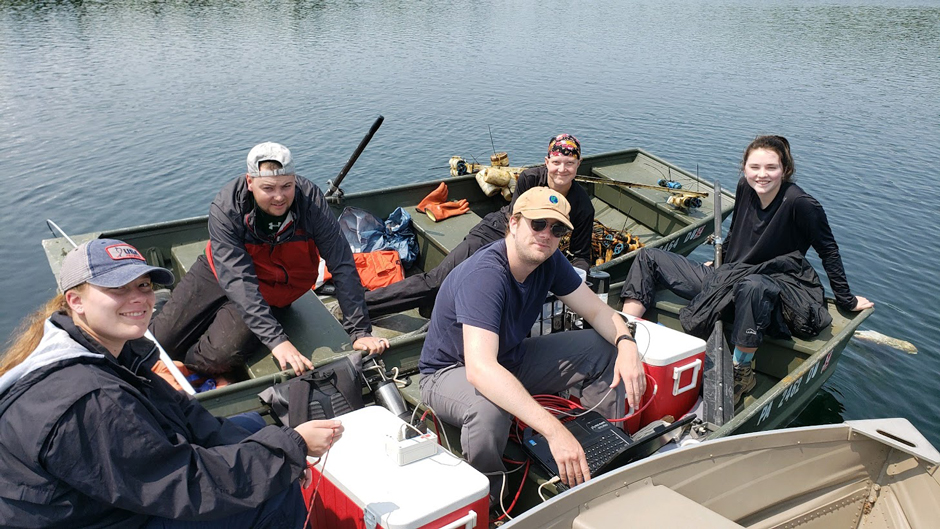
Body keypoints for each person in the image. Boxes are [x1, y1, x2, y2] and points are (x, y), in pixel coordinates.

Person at [0, 239, 343, 528]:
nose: (138, 298)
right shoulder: (90, 401)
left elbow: (189, 416)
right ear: (76, 301)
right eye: (118, 288)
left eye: (144, 286)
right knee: (273, 496)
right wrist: (288, 453)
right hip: (94, 518)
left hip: (110, 494)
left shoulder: (107, 352)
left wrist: (279, 448)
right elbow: (185, 484)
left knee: (253, 424)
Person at [419, 187, 646, 498]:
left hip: (511, 357)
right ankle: (491, 500)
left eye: (557, 229)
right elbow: (480, 370)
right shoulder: (486, 275)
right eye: (537, 224)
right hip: (447, 372)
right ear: (514, 223)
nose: (546, 235)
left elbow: (597, 310)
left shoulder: (549, 261)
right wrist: (554, 431)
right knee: (489, 408)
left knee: (604, 348)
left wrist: (626, 344)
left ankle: (601, 450)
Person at [620, 135, 873, 405]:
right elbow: (737, 229)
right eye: (754, 167)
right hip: (729, 276)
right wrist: (722, 260)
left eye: (771, 168)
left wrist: (846, 299)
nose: (761, 175)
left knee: (752, 285)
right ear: (744, 167)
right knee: (649, 257)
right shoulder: (745, 187)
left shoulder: (801, 204)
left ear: (784, 170)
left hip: (778, 286)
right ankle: (626, 334)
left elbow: (829, 251)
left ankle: (742, 370)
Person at [151, 142, 388, 376]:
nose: (279, 197)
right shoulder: (227, 207)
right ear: (250, 182)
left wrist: (360, 332)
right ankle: (165, 305)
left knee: (217, 359)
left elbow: (341, 262)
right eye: (268, 188)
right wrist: (277, 341)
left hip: (276, 289)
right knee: (158, 341)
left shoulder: (311, 203)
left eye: (286, 186)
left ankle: (187, 366)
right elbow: (237, 281)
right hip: (220, 272)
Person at [365, 133, 595, 318]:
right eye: (556, 162)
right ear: (547, 162)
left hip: (533, 245)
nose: (562, 169)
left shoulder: (582, 206)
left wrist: (576, 278)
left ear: (578, 164)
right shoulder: (530, 179)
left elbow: (582, 255)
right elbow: (515, 223)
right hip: (497, 230)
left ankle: (433, 310)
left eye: (569, 163)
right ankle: (362, 306)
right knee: (437, 280)